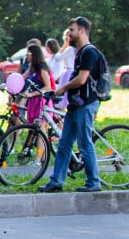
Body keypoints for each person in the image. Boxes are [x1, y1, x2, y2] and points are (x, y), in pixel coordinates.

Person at [39, 17, 105, 193]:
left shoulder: (89, 52)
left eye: (72, 30)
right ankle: (56, 181)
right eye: (69, 30)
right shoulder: (79, 52)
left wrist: (61, 89)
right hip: (75, 105)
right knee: (64, 144)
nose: (69, 33)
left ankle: (93, 182)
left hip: (86, 104)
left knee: (85, 144)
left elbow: (82, 79)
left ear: (82, 31)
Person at [20, 44, 53, 125]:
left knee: (40, 128)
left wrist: (32, 94)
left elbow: (48, 87)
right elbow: (21, 78)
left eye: (28, 53)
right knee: (31, 127)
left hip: (42, 101)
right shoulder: (31, 68)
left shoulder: (42, 69)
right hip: (33, 101)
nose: (26, 55)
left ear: (34, 54)